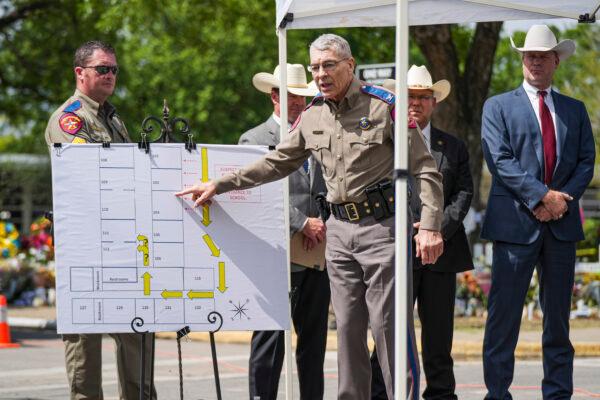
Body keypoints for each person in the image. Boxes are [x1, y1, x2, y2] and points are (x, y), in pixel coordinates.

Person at [177, 33, 445, 400]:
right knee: (348, 332)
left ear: (350, 66)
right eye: (316, 66)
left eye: (329, 65)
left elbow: (425, 169)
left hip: (382, 231)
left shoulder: (384, 107)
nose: (320, 73)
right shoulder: (313, 113)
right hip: (337, 235)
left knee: (388, 330)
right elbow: (276, 162)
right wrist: (221, 184)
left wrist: (430, 225)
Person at [481, 25, 595, 400]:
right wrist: (543, 196)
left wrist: (560, 202)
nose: (534, 61)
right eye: (529, 55)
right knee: (504, 318)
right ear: (522, 59)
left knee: (558, 321)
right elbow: (500, 161)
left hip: (561, 227)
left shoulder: (574, 110)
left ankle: (558, 393)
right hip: (515, 226)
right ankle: (498, 394)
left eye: (542, 56)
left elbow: (585, 162)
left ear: (556, 60)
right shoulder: (498, 105)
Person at [45, 40, 156, 400]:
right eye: (102, 69)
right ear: (80, 73)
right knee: (84, 341)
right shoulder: (70, 118)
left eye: (113, 69)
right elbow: (92, 173)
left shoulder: (113, 117)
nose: (110, 75)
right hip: (85, 243)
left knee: (137, 329)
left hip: (123, 242)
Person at [371, 67, 474, 400]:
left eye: (422, 98)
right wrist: (404, 228)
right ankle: (381, 393)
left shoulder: (453, 146)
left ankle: (441, 395)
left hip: (441, 252)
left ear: (434, 102)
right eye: (410, 97)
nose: (415, 103)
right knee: (389, 332)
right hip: (395, 249)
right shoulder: (384, 140)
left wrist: (435, 228)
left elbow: (464, 193)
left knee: (439, 338)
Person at [241, 63, 331, 400]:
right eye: (290, 96)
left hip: (318, 254)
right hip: (276, 255)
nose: (297, 103)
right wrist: (300, 222)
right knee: (269, 342)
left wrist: (322, 223)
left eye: (302, 97)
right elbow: (257, 196)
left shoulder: (318, 134)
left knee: (313, 346)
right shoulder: (254, 139)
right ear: (274, 96)